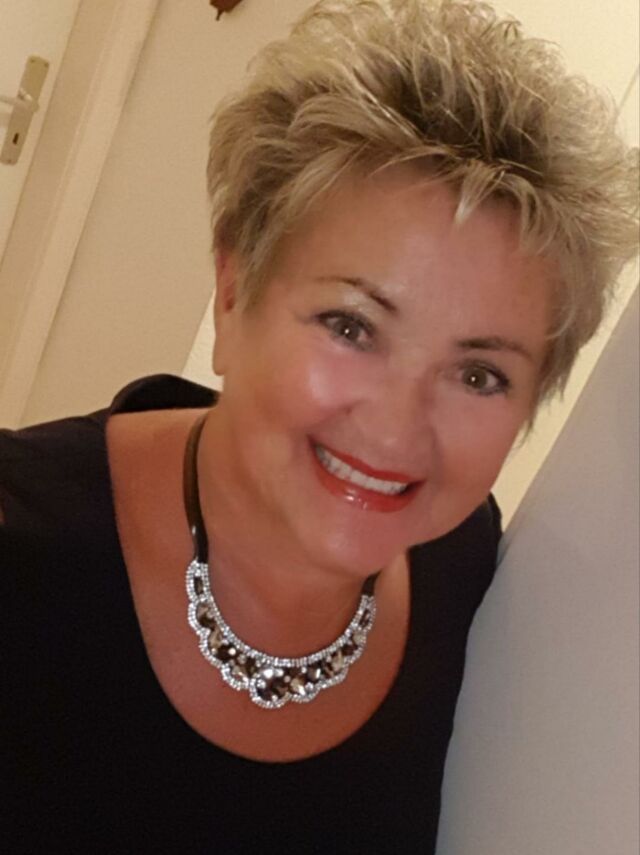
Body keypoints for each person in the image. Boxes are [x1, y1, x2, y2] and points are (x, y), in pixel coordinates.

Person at [1, 1, 637, 852]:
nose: (397, 429)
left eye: (479, 373)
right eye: (351, 326)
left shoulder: (465, 568)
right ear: (234, 293)